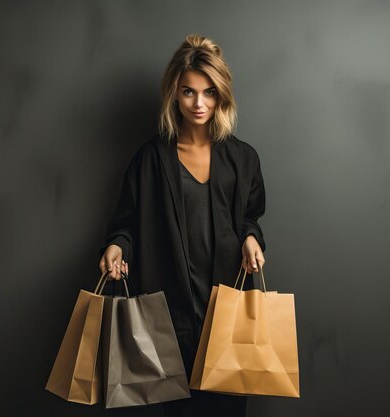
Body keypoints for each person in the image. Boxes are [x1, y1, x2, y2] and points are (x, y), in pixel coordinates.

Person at [98, 33, 266, 416]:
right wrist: (116, 247)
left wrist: (253, 238)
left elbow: (249, 219)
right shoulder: (150, 159)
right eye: (189, 92)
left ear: (221, 95)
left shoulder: (244, 159)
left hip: (224, 315)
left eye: (209, 92)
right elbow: (125, 223)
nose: (199, 103)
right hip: (166, 315)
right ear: (175, 93)